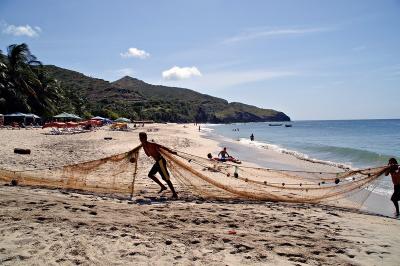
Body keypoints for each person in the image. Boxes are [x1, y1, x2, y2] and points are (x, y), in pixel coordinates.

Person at [139, 132, 178, 199]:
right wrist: (144, 147)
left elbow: (162, 147)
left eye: (142, 138)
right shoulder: (144, 146)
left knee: (166, 178)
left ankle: (174, 194)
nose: (141, 139)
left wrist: (171, 152)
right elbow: (148, 155)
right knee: (151, 175)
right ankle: (163, 187)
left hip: (161, 161)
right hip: (158, 162)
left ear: (145, 138)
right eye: (140, 138)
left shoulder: (151, 144)